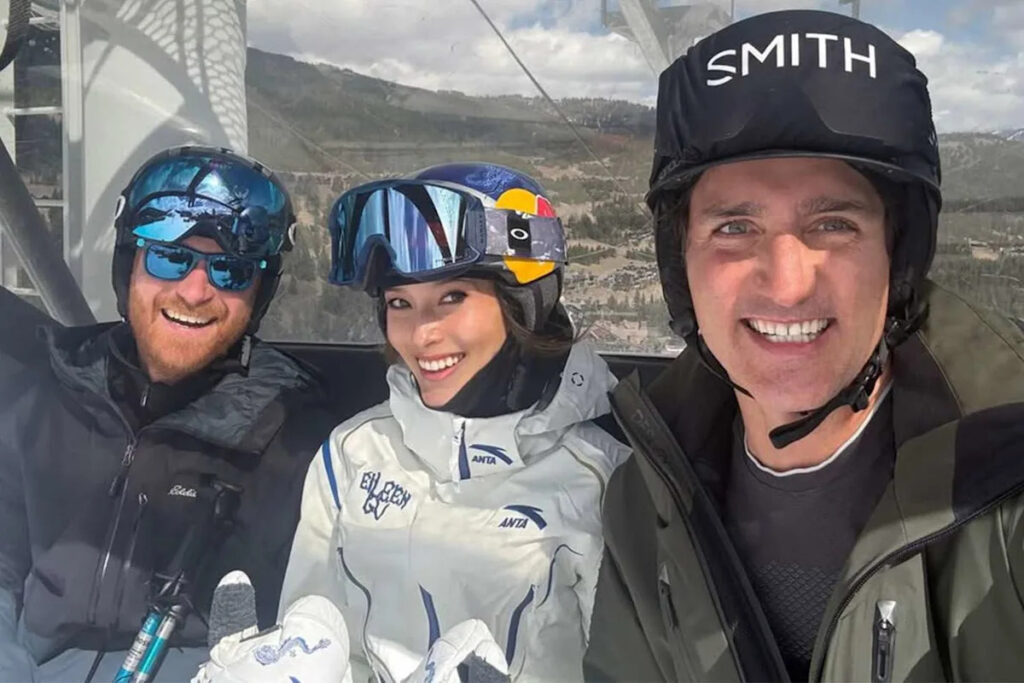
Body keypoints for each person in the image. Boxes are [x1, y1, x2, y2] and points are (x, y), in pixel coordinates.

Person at [584, 9, 1024, 683]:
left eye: (833, 223)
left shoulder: (1006, 490)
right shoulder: (645, 504)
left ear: (895, 256)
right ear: (683, 264)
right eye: (734, 226)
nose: (787, 284)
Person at [262, 162, 630, 682]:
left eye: (452, 298)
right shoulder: (354, 452)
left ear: (522, 304)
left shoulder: (602, 477)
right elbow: (318, 639)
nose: (421, 335)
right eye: (399, 303)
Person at [0, 145, 336, 681]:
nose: (196, 291)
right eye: (169, 258)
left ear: (258, 296)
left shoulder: (298, 440)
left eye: (230, 271)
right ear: (128, 265)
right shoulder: (49, 393)